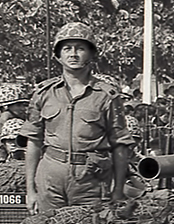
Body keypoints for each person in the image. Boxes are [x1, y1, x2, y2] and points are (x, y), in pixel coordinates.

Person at [20, 22, 133, 214]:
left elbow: (120, 145)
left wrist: (118, 189)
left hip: (91, 183)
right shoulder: (43, 93)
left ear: (91, 54)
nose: (73, 54)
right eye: (67, 48)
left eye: (80, 48)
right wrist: (30, 190)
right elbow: (33, 142)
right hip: (50, 180)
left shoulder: (107, 96)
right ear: (58, 55)